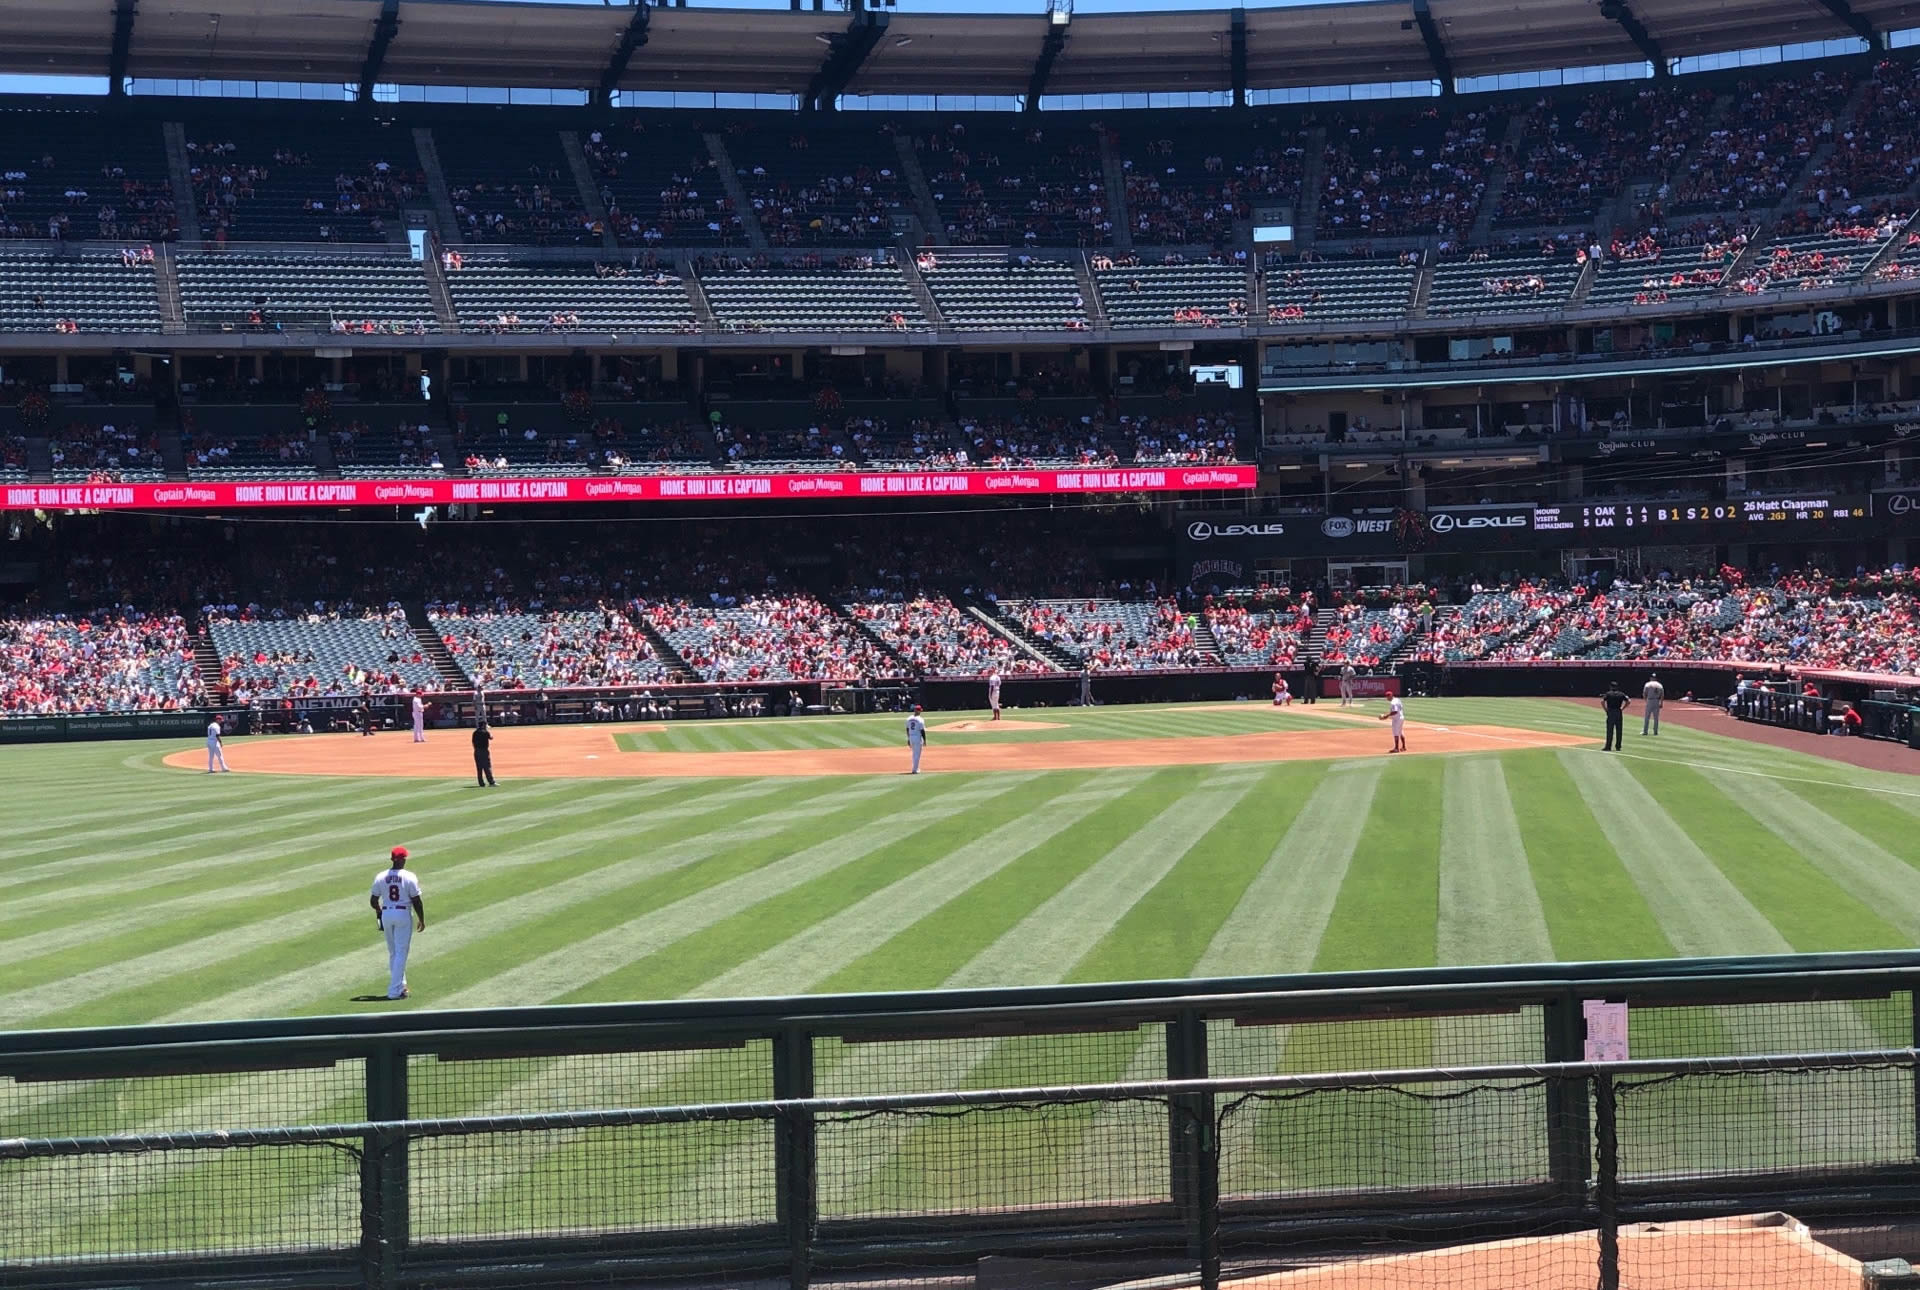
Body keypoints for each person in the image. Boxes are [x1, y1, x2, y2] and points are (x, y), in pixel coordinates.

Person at [368, 845, 425, 1001]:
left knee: (393, 952)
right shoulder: (409, 876)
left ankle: (401, 986)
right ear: (403, 860)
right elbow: (416, 900)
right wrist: (421, 919)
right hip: (402, 913)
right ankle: (394, 991)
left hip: (387, 913)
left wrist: (380, 911)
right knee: (401, 952)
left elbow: (373, 900)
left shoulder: (381, 876)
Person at [1602, 680, 1630, 751]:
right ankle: (1618, 746)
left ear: (1611, 687)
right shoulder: (1621, 694)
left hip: (1611, 711)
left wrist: (1605, 710)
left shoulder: (1608, 693)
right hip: (1618, 711)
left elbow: (1602, 701)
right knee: (1619, 730)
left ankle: (1608, 746)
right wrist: (1622, 708)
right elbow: (1628, 701)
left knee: (1610, 730)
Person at [472, 721, 496, 787]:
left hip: (476, 751)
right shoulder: (485, 732)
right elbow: (491, 738)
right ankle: (491, 782)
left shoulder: (475, 732)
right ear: (483, 725)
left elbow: (473, 742)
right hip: (484, 751)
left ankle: (481, 783)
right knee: (487, 767)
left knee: (479, 768)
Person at [906, 704, 927, 774]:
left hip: (911, 736)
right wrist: (924, 740)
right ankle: (915, 770)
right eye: (920, 710)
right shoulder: (920, 719)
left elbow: (907, 729)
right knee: (917, 754)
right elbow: (922, 731)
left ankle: (916, 768)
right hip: (917, 737)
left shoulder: (908, 718)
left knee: (914, 754)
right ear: (918, 711)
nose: (920, 711)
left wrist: (908, 738)